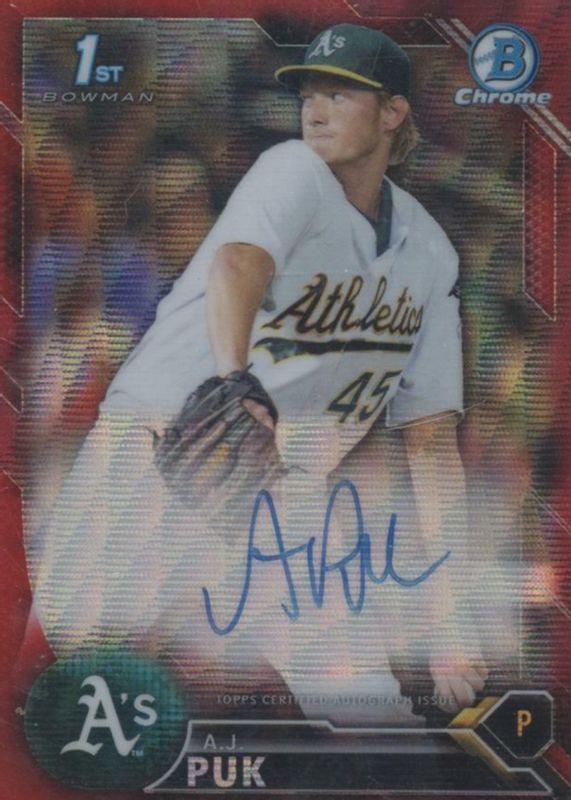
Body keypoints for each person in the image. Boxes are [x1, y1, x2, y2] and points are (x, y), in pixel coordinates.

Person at [34, 23, 486, 720]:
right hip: (161, 452)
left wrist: (451, 621)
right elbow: (239, 262)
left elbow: (430, 443)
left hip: (283, 494)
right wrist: (231, 380)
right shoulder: (291, 169)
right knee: (65, 673)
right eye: (309, 94)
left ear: (393, 113)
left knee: (366, 710)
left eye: (340, 94)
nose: (316, 110)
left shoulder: (430, 254)